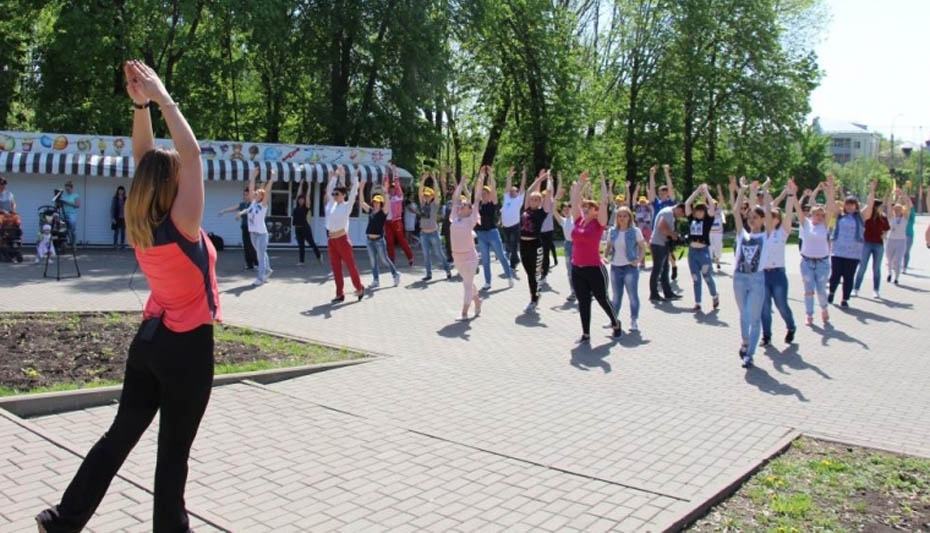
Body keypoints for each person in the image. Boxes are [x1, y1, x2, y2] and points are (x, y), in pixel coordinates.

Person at [36, 59, 220, 533]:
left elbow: (146, 160)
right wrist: (162, 98)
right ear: (173, 186)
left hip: (149, 344)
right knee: (172, 454)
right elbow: (192, 155)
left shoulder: (144, 225)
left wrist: (140, 106)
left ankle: (62, 520)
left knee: (118, 437)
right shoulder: (183, 225)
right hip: (186, 349)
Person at [570, 171, 622, 341]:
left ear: (595, 211)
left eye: (589, 207)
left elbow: (604, 202)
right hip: (577, 268)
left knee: (602, 299)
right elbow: (574, 201)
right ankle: (586, 333)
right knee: (583, 301)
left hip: (594, 268)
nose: (585, 209)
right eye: (584, 207)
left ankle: (615, 323)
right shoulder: (578, 221)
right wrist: (579, 182)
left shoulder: (598, 224)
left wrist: (603, 183)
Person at [731, 179, 772, 368]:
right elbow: (736, 211)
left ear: (762, 219)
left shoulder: (766, 236)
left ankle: (749, 354)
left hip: (756, 279)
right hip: (739, 278)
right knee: (743, 314)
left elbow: (769, 213)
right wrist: (742, 190)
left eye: (756, 217)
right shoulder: (743, 235)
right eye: (750, 217)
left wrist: (764, 190)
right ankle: (745, 341)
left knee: (754, 317)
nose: (752, 220)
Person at [760, 181, 797, 345]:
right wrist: (764, 190)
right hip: (763, 274)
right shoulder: (762, 233)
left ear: (778, 219)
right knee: (765, 307)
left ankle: (791, 326)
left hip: (777, 273)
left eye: (774, 217)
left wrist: (790, 195)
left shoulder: (782, 232)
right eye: (769, 217)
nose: (771, 219)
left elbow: (788, 214)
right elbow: (763, 208)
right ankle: (766, 335)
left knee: (781, 305)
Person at [793, 181, 835, 326]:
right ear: (811, 214)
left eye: (821, 215)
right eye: (816, 214)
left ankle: (824, 308)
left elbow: (831, 207)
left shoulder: (824, 225)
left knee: (821, 290)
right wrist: (793, 194)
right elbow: (797, 208)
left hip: (822, 262)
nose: (818, 217)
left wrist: (829, 191)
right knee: (808, 290)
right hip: (807, 262)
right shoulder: (805, 223)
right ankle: (809, 314)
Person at [325, 167, 365, 303]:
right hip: (332, 240)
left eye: (337, 194)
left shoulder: (347, 206)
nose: (334, 196)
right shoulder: (332, 205)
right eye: (334, 194)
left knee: (350, 266)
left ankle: (359, 288)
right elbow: (328, 190)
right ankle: (339, 294)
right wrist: (335, 176)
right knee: (336, 268)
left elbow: (353, 192)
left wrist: (355, 177)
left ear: (343, 195)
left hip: (342, 239)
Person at [829, 179, 870, 305]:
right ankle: (831, 292)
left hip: (853, 253)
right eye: (848, 204)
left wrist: (872, 191)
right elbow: (831, 202)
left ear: (856, 206)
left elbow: (870, 206)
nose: (850, 207)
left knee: (848, 276)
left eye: (852, 204)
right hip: (838, 250)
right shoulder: (840, 215)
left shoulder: (860, 217)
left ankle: (845, 299)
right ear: (844, 205)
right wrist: (831, 188)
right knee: (835, 274)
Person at [449, 173, 484, 320]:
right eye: (462, 204)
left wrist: (481, 181)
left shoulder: (471, 219)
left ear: (470, 210)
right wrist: (461, 183)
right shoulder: (455, 217)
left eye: (465, 205)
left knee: (467, 285)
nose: (462, 205)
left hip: (469, 258)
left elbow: (476, 199)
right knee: (468, 282)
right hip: (457, 257)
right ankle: (478, 302)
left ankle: (464, 313)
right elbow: (455, 198)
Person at [357, 173, 401, 289]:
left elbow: (387, 204)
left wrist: (385, 191)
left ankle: (395, 274)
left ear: (381, 203)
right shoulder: (371, 210)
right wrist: (361, 188)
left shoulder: (383, 212)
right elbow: (361, 202)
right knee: (373, 261)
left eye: (378, 202)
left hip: (379, 240)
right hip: (369, 240)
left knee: (385, 259)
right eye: (375, 202)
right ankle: (376, 280)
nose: (376, 203)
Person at [475, 165, 515, 290]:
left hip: (492, 233)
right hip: (481, 234)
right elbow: (477, 189)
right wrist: (482, 175)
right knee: (485, 260)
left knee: (501, 256)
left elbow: (494, 189)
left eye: (486, 193)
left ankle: (509, 277)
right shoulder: (478, 204)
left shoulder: (492, 203)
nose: (484, 195)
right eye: (482, 193)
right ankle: (487, 282)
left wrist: (491, 175)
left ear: (489, 195)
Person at [605, 205, 645, 331]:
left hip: (629, 267)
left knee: (632, 295)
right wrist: (605, 257)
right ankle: (614, 319)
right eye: (620, 216)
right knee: (616, 296)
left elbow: (642, 248)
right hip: (615, 267)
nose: (622, 218)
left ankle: (634, 320)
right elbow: (608, 246)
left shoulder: (635, 231)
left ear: (629, 218)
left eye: (625, 216)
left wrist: (638, 260)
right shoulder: (612, 231)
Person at [519, 170, 553, 312]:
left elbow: (549, 193)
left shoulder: (542, 212)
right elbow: (528, 191)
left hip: (535, 244)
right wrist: (539, 179)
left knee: (535, 274)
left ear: (540, 202)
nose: (532, 201)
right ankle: (535, 295)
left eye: (535, 199)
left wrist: (549, 179)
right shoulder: (526, 209)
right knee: (529, 273)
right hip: (523, 244)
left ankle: (534, 299)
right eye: (532, 199)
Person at [684, 184, 719, 312]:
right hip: (692, 252)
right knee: (695, 278)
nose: (699, 212)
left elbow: (712, 206)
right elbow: (687, 203)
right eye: (697, 210)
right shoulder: (691, 219)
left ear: (704, 212)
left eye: (701, 210)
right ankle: (698, 302)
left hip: (703, 252)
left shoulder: (707, 221)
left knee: (707, 277)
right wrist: (697, 191)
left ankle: (714, 295)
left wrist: (706, 192)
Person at [238, 167, 274, 286]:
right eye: (255, 193)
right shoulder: (253, 203)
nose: (254, 193)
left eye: (257, 193)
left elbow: (267, 191)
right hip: (253, 233)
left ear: (261, 196)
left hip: (262, 234)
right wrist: (253, 176)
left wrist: (272, 178)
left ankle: (260, 278)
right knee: (261, 253)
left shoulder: (263, 205)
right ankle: (268, 270)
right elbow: (251, 188)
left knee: (260, 256)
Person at [853, 184, 889, 298]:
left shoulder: (883, 217)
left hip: (878, 244)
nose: (881, 208)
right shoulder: (867, 216)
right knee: (862, 267)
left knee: (876, 268)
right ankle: (856, 288)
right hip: (866, 243)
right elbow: (864, 211)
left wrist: (884, 235)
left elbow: (886, 229)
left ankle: (876, 289)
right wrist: (871, 191)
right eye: (880, 206)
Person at [417, 171, 452, 281]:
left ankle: (447, 269)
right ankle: (428, 274)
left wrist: (434, 179)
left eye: (428, 195)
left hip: (433, 233)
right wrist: (423, 179)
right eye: (425, 195)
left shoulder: (435, 204)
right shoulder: (422, 204)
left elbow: (437, 192)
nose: (426, 196)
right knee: (426, 255)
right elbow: (419, 191)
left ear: (432, 196)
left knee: (439, 253)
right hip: (423, 233)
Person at [648, 200, 685, 302]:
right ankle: (654, 294)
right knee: (657, 270)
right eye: (682, 213)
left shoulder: (669, 213)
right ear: (679, 208)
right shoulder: (668, 213)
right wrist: (673, 235)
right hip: (658, 244)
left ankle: (668, 293)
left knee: (665, 269)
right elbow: (661, 228)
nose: (681, 216)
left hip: (662, 244)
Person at [218, 187, 259, 271]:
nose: (245, 196)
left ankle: (257, 264)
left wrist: (240, 214)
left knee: (252, 246)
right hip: (244, 227)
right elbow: (234, 208)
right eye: (244, 195)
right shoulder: (243, 204)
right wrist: (224, 211)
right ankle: (249, 265)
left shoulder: (253, 204)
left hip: (252, 228)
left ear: (251, 195)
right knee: (246, 246)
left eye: (246, 195)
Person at [649, 164, 678, 279]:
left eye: (665, 192)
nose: (663, 193)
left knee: (668, 253)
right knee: (657, 253)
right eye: (661, 192)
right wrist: (652, 175)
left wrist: (667, 173)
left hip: (668, 231)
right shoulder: (657, 203)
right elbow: (652, 190)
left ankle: (674, 266)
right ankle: (661, 274)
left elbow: (671, 188)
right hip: (656, 231)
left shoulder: (671, 203)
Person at [384, 165, 415, 265]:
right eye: (391, 188)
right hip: (388, 222)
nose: (392, 189)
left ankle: (410, 257)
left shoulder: (399, 197)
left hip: (396, 221)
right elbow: (385, 185)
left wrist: (395, 172)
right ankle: (391, 260)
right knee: (389, 241)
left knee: (401, 240)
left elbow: (397, 184)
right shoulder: (387, 196)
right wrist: (386, 173)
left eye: (393, 188)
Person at [500, 167, 526, 273]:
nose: (511, 192)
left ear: (517, 192)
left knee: (513, 244)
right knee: (510, 245)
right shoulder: (507, 198)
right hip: (505, 226)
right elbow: (507, 186)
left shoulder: (519, 199)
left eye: (513, 191)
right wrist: (509, 175)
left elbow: (523, 186)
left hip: (515, 226)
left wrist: (524, 175)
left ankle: (512, 265)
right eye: (510, 191)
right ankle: (516, 259)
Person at [293, 177, 322, 265]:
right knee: (301, 245)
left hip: (305, 228)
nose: (301, 200)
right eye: (300, 199)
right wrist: (301, 184)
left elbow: (308, 196)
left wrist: (309, 185)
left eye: (302, 200)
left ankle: (319, 255)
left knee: (311, 243)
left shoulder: (306, 207)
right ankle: (301, 261)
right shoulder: (296, 206)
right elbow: (298, 194)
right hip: (297, 228)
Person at [884, 189, 910, 285]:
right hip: (890, 240)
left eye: (898, 209)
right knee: (889, 259)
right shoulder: (891, 217)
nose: (896, 210)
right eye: (895, 209)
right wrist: (891, 194)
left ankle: (896, 277)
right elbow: (888, 205)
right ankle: (889, 273)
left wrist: (904, 195)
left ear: (902, 210)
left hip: (901, 241)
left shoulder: (905, 218)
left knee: (898, 260)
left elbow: (908, 206)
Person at [59, 180, 81, 246]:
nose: (67, 190)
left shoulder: (76, 195)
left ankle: (74, 244)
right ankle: (64, 243)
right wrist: (59, 202)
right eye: (66, 189)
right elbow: (60, 205)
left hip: (72, 214)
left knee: (72, 230)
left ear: (71, 188)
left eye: (68, 189)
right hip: (64, 214)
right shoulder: (64, 196)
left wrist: (66, 202)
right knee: (63, 229)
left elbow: (77, 205)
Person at [903, 187, 919, 272]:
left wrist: (906, 195)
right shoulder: (903, 213)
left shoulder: (912, 213)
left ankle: (904, 267)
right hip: (901, 235)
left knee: (906, 252)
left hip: (909, 235)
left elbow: (910, 205)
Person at [111, 185, 127, 250]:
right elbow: (112, 208)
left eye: (122, 190)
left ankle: (122, 245)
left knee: (123, 232)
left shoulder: (125, 198)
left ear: (124, 191)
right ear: (117, 191)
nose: (121, 192)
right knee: (116, 232)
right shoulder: (115, 198)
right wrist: (112, 218)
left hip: (124, 218)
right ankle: (115, 245)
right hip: (116, 217)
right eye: (119, 190)